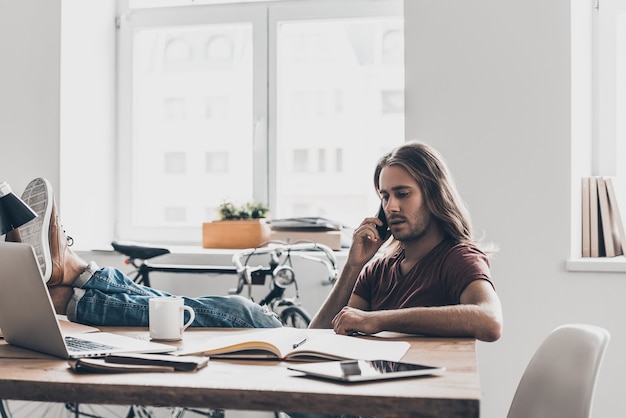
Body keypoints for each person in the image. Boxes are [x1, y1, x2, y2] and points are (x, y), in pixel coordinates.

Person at [5, 177, 282, 329]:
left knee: (239, 310)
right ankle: (70, 281)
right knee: (181, 305)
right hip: (298, 343)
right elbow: (315, 333)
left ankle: (73, 277)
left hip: (284, 342)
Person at [309, 141, 503, 342]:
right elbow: (315, 337)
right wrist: (353, 267)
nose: (391, 207)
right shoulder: (376, 272)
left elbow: (490, 322)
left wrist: (377, 320)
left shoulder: (459, 259)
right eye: (385, 197)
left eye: (402, 194)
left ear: (433, 196)